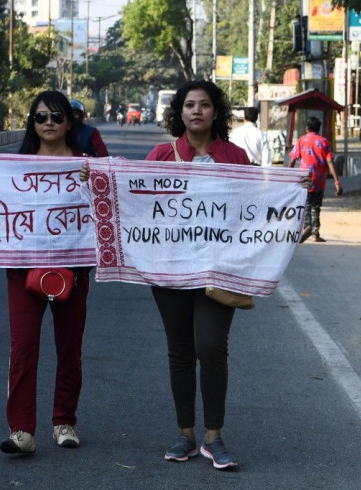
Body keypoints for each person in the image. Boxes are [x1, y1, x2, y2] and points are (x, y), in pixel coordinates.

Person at [140, 80, 250, 470]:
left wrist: (295, 186)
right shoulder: (160, 155)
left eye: (205, 105)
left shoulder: (236, 157)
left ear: (216, 112)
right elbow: (134, 202)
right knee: (181, 351)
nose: (197, 111)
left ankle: (214, 437)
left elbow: (257, 206)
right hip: (169, 270)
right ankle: (185, 434)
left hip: (219, 270)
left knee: (210, 346)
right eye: (190, 105)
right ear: (179, 113)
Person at [0, 91, 91, 455]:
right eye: (40, 117)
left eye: (56, 116)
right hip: (23, 269)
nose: (48, 122)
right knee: (23, 348)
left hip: (73, 267)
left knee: (70, 348)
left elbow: (106, 212)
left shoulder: (88, 165)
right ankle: (21, 430)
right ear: (32, 124)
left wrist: (93, 181)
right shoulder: (15, 168)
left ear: (69, 122)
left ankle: (64, 421)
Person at [288, 116, 342, 243]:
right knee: (316, 206)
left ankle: (307, 226)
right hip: (319, 179)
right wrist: (337, 182)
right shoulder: (324, 142)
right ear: (319, 128)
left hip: (305, 179)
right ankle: (315, 233)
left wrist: (288, 175)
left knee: (306, 204)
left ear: (307, 128)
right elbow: (330, 161)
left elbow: (292, 160)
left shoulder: (301, 140)